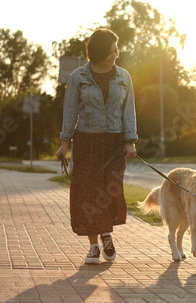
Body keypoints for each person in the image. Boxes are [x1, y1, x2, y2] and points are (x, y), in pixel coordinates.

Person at [56, 28, 138, 265]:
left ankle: (107, 233)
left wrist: (130, 141)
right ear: (100, 52)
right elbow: (70, 112)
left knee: (110, 190)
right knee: (88, 193)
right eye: (112, 50)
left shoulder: (124, 76)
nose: (116, 54)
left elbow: (128, 111)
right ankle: (94, 245)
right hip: (86, 141)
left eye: (117, 50)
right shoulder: (78, 77)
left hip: (114, 142)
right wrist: (64, 144)